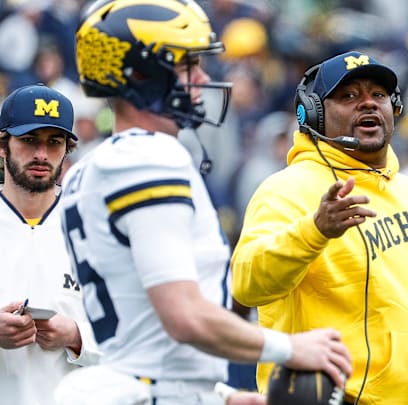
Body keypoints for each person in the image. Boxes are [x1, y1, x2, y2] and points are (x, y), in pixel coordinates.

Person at [54, 1, 352, 404]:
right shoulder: (151, 158)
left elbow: (143, 329)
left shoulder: (92, 167)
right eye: (186, 65)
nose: (202, 76)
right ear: (141, 74)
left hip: (134, 385)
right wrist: (291, 348)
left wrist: (219, 395)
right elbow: (184, 315)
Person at [230, 50, 408, 405]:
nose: (367, 104)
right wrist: (314, 231)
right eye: (348, 96)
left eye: (378, 95)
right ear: (313, 113)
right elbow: (246, 285)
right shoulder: (287, 190)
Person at [0, 83, 101, 405]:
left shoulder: (94, 226)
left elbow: (137, 341)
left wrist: (77, 336)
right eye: (29, 140)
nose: (42, 154)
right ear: (3, 145)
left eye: (54, 142)